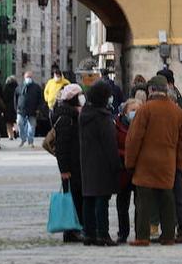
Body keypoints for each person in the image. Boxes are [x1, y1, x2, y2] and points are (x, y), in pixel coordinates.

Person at [124, 77, 182, 246]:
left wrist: (129, 162)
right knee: (167, 200)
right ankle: (168, 236)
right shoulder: (177, 112)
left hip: (146, 163)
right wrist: (179, 163)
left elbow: (134, 138)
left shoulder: (145, 110)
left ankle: (142, 237)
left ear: (151, 90)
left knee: (143, 201)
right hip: (168, 163)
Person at [79, 80, 121, 247]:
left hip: (87, 162)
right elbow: (110, 144)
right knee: (101, 200)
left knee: (88, 198)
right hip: (102, 164)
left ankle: (88, 233)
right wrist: (116, 164)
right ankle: (102, 234)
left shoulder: (84, 114)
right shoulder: (102, 118)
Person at [156, 68, 182, 243]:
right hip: (162, 159)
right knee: (164, 196)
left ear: (170, 84)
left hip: (177, 159)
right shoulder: (156, 103)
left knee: (178, 196)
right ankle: (168, 229)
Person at [44, 83, 84, 243]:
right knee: (72, 198)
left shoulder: (72, 115)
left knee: (77, 196)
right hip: (70, 165)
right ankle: (71, 230)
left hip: (75, 163)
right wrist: (64, 169)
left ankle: (75, 228)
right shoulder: (67, 118)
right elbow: (61, 146)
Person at [115, 99, 142, 244]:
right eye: (132, 110)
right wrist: (126, 155)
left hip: (139, 170)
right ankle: (123, 232)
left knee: (140, 204)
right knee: (122, 205)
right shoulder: (117, 125)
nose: (135, 113)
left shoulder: (143, 125)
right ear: (125, 112)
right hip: (123, 170)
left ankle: (140, 232)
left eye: (138, 110)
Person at [15, 71, 42, 147]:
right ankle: (23, 138)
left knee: (32, 127)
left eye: (30, 77)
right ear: (24, 77)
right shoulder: (19, 87)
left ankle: (30, 141)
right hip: (21, 110)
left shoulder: (36, 87)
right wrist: (16, 108)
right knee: (19, 123)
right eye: (27, 77)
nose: (28, 78)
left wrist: (38, 109)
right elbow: (15, 98)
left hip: (32, 110)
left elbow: (40, 99)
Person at [2, 75, 19, 140]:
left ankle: (10, 135)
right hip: (16, 106)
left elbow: (4, 98)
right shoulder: (17, 87)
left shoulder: (6, 88)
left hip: (7, 107)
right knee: (15, 121)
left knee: (8, 122)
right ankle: (15, 130)